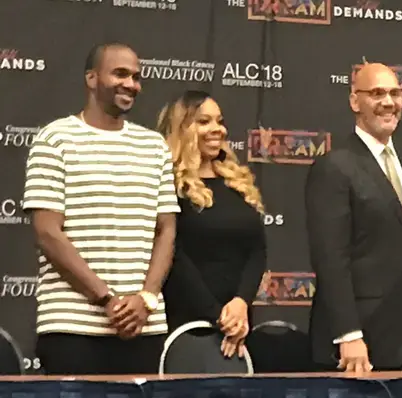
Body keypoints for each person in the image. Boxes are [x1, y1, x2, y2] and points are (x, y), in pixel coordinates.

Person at [22, 42, 178, 375]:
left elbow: (166, 229)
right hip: (72, 328)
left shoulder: (154, 146)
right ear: (92, 79)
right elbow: (47, 233)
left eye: (136, 76)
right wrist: (107, 299)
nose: (131, 84)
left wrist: (146, 299)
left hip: (143, 326)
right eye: (120, 73)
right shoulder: (55, 139)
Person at [305, 62, 402, 373]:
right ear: (354, 101)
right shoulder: (334, 167)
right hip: (358, 344)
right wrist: (348, 333)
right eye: (376, 93)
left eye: (395, 93)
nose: (389, 102)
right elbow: (331, 258)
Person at [156, 90, 266, 359]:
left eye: (219, 121)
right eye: (204, 122)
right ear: (181, 128)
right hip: (189, 326)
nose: (216, 129)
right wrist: (218, 316)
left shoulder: (236, 183)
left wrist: (241, 304)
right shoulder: (168, 184)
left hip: (239, 327)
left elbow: (257, 250)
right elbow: (174, 256)